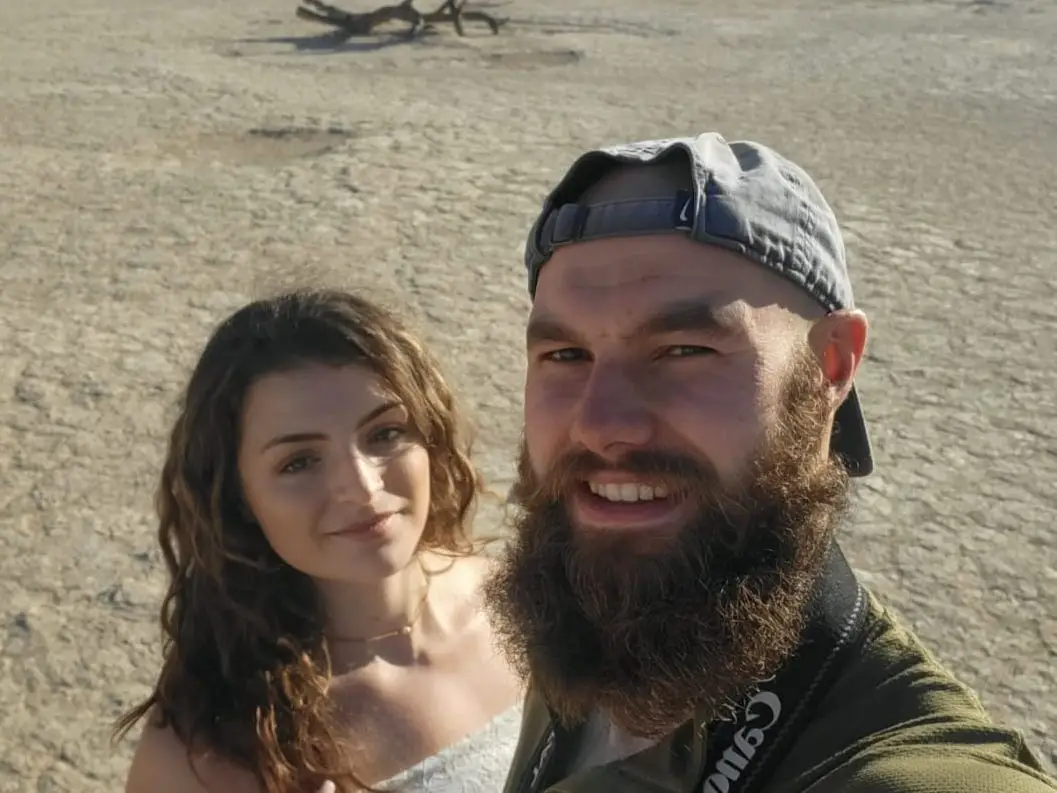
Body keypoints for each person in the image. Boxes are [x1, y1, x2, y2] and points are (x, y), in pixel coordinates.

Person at [483, 132, 1057, 793]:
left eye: (682, 350)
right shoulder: (595, 623)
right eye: (564, 356)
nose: (603, 424)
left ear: (830, 365)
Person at [114, 289, 523, 793]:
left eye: (385, 434)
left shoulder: (525, 604)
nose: (362, 488)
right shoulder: (209, 752)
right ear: (236, 497)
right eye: (299, 462)